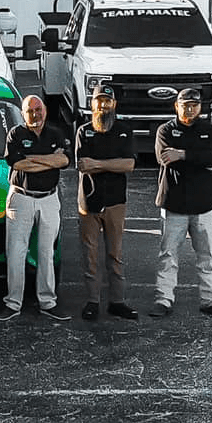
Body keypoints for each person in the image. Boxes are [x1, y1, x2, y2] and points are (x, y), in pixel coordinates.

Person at [151, 89, 212, 318]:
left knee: (208, 256)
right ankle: (163, 299)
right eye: (185, 105)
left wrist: (184, 155)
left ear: (200, 107)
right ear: (176, 106)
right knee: (168, 255)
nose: (190, 109)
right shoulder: (165, 130)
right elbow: (164, 157)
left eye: (194, 105)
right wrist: (198, 158)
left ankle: (211, 300)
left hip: (205, 205)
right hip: (174, 204)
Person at [0, 94, 70, 322]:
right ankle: (13, 302)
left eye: (39, 110)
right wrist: (49, 159)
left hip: (49, 199)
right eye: (30, 111)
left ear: (45, 110)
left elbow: (65, 161)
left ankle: (48, 302)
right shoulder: (16, 133)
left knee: (47, 252)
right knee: (16, 252)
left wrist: (33, 160)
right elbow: (17, 163)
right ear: (23, 113)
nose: (35, 115)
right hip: (21, 198)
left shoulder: (56, 133)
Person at [73, 84, 138, 321]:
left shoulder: (123, 131)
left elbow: (129, 165)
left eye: (107, 101)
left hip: (115, 202)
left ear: (114, 105)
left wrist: (98, 164)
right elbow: (82, 164)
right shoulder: (83, 131)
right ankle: (92, 301)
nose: (103, 105)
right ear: (92, 104)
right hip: (88, 202)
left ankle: (117, 302)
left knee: (115, 254)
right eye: (99, 101)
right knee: (90, 255)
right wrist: (113, 163)